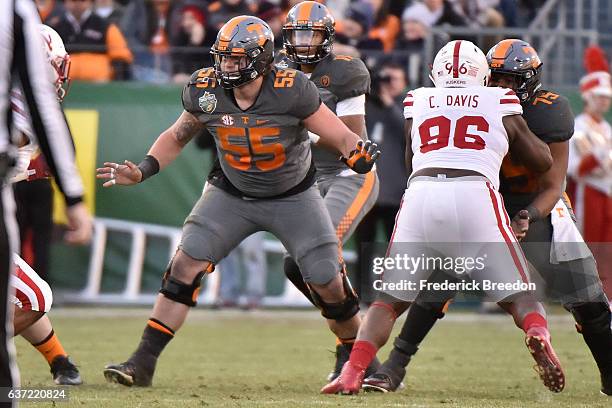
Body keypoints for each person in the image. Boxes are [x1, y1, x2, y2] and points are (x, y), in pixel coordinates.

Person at [98, 15, 379, 388]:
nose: (228, 65)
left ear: (262, 59)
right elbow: (177, 135)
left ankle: (360, 362)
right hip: (231, 193)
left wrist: (354, 152)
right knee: (185, 264)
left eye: (237, 58)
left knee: (327, 279)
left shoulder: (291, 87)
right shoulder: (206, 88)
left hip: (294, 196)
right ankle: (143, 361)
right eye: (224, 57)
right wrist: (145, 169)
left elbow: (339, 133)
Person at [365, 39, 612, 398]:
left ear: (530, 81)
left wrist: (530, 215)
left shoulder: (549, 109)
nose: (502, 87)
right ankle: (394, 366)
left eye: (511, 81)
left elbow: (553, 183)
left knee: (588, 299)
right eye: (496, 79)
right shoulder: (464, 102)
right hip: (480, 202)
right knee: (439, 281)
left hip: (538, 206)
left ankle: (608, 373)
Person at [321, 39, 563, 395]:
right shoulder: (501, 99)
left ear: (436, 73)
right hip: (475, 192)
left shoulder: (417, 99)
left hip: (421, 194)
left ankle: (353, 371)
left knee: (389, 300)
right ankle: (537, 333)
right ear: (481, 73)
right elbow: (542, 162)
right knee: (520, 294)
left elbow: (409, 160)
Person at [277, 1, 381, 381]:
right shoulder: (277, 70)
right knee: (295, 265)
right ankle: (358, 349)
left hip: (349, 174)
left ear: (327, 37)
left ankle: (353, 352)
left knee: (320, 257)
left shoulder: (344, 71)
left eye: (311, 34)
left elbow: (351, 139)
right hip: (304, 180)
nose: (304, 43)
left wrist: (291, 131)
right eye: (298, 34)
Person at [2, 0, 92, 402]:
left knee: (20, 291)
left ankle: (61, 362)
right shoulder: (23, 106)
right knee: (34, 295)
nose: (58, 75)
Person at [568, 46, 612, 302]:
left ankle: (606, 296)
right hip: (588, 191)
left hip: (607, 192)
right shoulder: (579, 126)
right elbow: (577, 168)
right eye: (599, 96)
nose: (603, 101)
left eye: (606, 97)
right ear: (587, 96)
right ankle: (584, 298)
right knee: (587, 246)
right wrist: (596, 157)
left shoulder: (606, 128)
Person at [49, 0, 133, 81]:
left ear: (90, 2)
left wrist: (116, 80)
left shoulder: (105, 26)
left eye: (83, 0)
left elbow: (121, 56)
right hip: (64, 86)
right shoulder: (55, 28)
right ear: (65, 2)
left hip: (101, 85)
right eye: (73, 0)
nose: (78, 3)